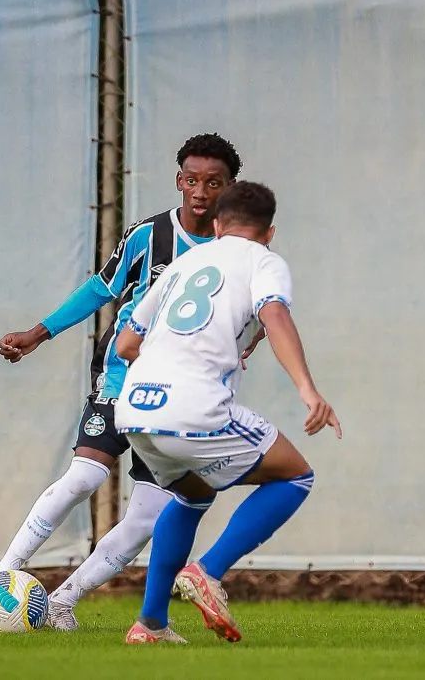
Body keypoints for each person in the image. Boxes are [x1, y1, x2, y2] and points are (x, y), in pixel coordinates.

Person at [0, 133, 251, 632]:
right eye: (191, 180)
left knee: (148, 518)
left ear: (229, 188)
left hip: (180, 398)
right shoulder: (149, 235)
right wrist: (38, 334)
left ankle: (64, 600)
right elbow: (99, 288)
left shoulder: (235, 252)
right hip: (122, 378)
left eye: (212, 183)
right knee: (86, 476)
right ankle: (2, 575)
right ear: (178, 181)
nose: (199, 191)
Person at [113, 180, 342, 644]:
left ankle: (151, 624)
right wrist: (308, 389)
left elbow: (126, 343)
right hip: (192, 406)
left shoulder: (183, 263)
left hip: (135, 408)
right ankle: (208, 571)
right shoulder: (265, 261)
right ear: (269, 232)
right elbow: (274, 314)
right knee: (296, 475)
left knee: (192, 495)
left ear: (217, 225)